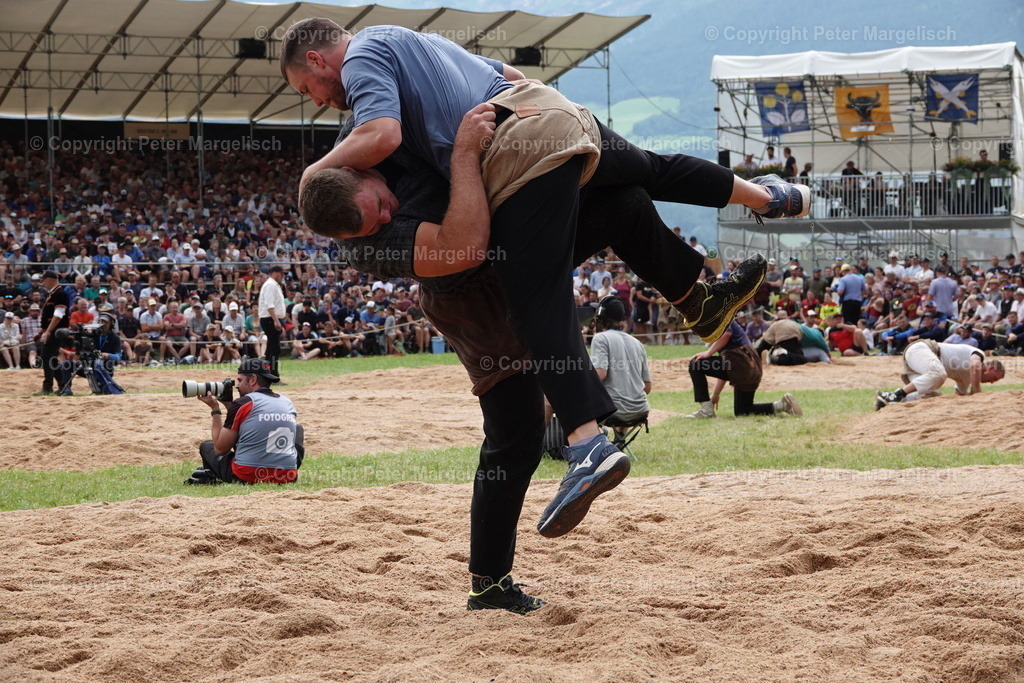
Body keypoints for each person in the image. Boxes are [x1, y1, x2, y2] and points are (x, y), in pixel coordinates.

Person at [185, 357, 304, 485]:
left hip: (247, 475)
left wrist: (215, 409)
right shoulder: (287, 402)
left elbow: (220, 449)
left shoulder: (243, 403)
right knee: (298, 429)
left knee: (206, 446)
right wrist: (230, 406)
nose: (237, 385)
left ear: (252, 379)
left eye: (240, 380)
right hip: (286, 476)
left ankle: (209, 476)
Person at [687, 319, 802, 418]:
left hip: (740, 364)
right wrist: (716, 394)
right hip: (751, 369)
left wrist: (708, 352)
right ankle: (781, 405)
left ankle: (706, 411)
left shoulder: (720, 316)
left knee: (695, 363)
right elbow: (725, 369)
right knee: (743, 411)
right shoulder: (723, 326)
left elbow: (726, 335)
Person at [875, 340, 1005, 409]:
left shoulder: (966, 380)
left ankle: (887, 401)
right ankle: (895, 395)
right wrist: (976, 391)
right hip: (921, 350)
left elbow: (960, 397)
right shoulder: (979, 354)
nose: (992, 382)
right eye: (994, 378)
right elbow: (974, 365)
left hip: (921, 365)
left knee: (932, 395)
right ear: (990, 368)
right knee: (939, 374)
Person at [589, 295, 651, 434]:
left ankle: (591, 442)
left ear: (600, 316)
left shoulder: (600, 338)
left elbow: (600, 374)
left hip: (614, 414)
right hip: (640, 411)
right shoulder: (637, 343)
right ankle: (619, 440)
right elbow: (647, 388)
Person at [55, 311, 124, 396]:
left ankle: (105, 387)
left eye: (105, 322)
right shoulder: (91, 334)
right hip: (87, 365)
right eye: (100, 321)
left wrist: (107, 355)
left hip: (104, 368)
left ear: (111, 324)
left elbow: (118, 357)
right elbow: (78, 351)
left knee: (99, 370)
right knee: (66, 364)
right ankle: (67, 390)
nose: (102, 324)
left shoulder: (114, 338)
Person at [34, 271, 71, 395]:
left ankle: (48, 386)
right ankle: (62, 385)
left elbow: (58, 315)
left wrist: (48, 331)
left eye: (42, 280)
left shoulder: (60, 294)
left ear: (49, 279)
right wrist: (41, 332)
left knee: (47, 356)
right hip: (54, 331)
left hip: (57, 331)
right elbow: (50, 317)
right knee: (52, 358)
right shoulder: (54, 294)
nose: (42, 283)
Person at [258, 266, 287, 379]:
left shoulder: (274, 285)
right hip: (270, 318)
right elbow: (270, 305)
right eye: (281, 274)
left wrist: (278, 320)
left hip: (272, 318)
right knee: (274, 348)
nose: (282, 276)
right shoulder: (270, 285)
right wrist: (276, 320)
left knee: (271, 347)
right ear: (275, 273)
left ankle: (267, 373)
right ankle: (272, 374)